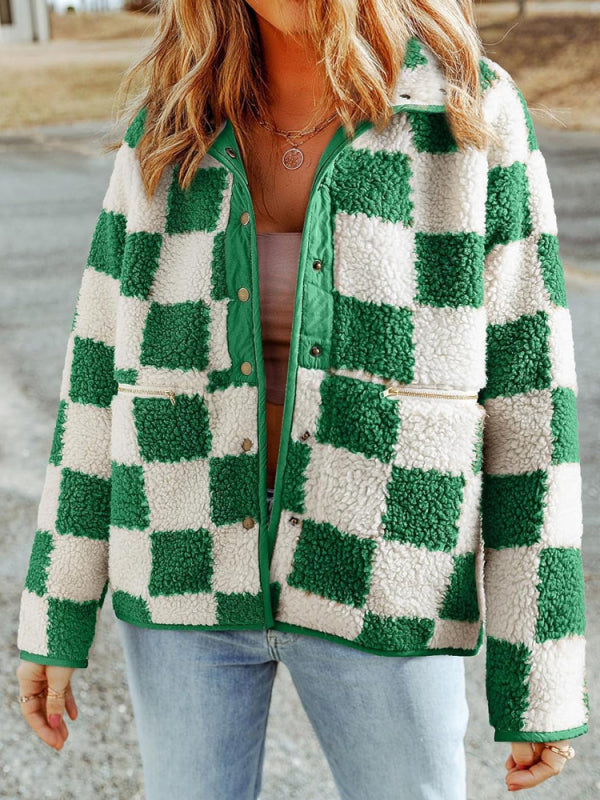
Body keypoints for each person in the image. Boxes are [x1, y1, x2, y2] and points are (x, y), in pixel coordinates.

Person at [16, 1, 588, 798]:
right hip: (182, 568)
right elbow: (97, 376)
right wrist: (56, 609)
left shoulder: (464, 111)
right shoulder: (173, 120)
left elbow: (532, 406)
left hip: (384, 573)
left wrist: (542, 674)